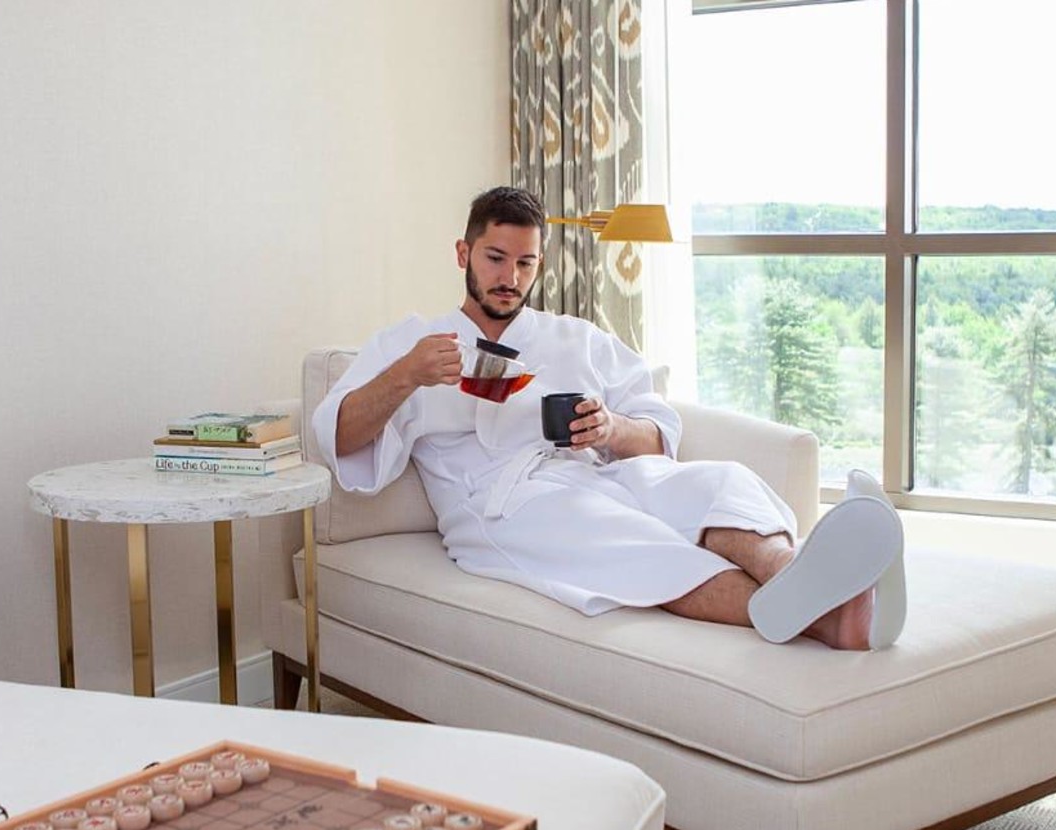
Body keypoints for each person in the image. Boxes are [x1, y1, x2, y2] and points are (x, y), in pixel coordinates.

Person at [311, 186, 906, 649]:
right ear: (464, 253)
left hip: (593, 471)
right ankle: (833, 620)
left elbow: (655, 429)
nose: (510, 278)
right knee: (631, 540)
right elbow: (337, 437)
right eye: (495, 259)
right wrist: (405, 375)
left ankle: (799, 574)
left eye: (525, 263)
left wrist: (612, 430)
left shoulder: (575, 338)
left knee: (719, 481)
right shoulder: (412, 340)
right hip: (498, 503)